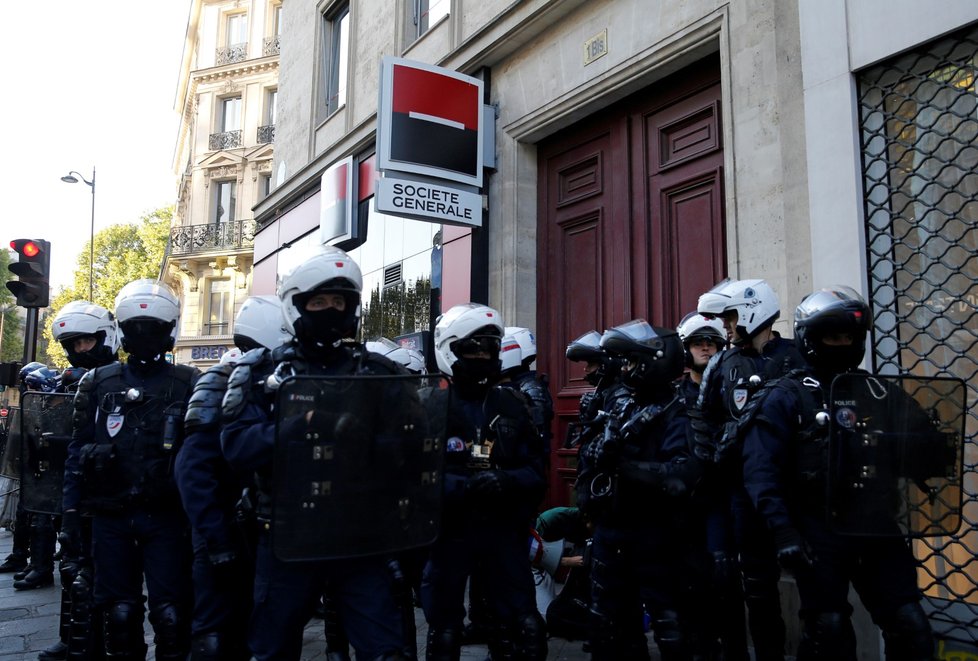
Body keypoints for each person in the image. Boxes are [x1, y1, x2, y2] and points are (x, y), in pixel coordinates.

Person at [220, 247, 412, 661]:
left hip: (360, 535)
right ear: (297, 306)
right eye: (318, 302)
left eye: (338, 302)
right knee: (270, 651)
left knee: (386, 652)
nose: (330, 310)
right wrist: (299, 423)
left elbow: (411, 448)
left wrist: (368, 438)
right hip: (288, 535)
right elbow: (235, 449)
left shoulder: (377, 373)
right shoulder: (260, 371)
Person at [740, 286, 935, 659]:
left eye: (849, 335)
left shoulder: (878, 391)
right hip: (818, 530)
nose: (842, 343)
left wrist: (931, 447)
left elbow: (919, 445)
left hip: (876, 526)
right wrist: (782, 530)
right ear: (811, 339)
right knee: (828, 629)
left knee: (911, 625)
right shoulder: (787, 395)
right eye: (833, 336)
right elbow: (760, 469)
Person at [63, 279, 199, 661]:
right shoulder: (97, 382)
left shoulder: (189, 383)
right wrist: (71, 517)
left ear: (168, 330)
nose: (143, 336)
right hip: (111, 515)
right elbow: (77, 453)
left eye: (151, 328)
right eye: (135, 328)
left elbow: (204, 461)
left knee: (172, 616)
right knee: (118, 615)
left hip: (168, 517)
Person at [421, 303, 548, 661]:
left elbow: (536, 471)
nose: (481, 355)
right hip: (449, 532)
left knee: (524, 627)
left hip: (503, 530)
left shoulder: (513, 404)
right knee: (444, 630)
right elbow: (413, 476)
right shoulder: (428, 404)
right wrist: (461, 487)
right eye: (471, 348)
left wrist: (505, 480)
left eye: (488, 348)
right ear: (450, 349)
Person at [692, 279, 806, 661]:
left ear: (752, 311)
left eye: (730, 317)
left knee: (817, 591)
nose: (725, 326)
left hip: (796, 490)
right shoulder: (722, 364)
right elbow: (704, 421)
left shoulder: (797, 355)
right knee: (757, 588)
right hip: (742, 491)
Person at [176, 295, 292, 660]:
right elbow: (192, 469)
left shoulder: (279, 384)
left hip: (265, 528)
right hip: (223, 525)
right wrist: (216, 537)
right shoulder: (221, 381)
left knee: (262, 627)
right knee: (214, 631)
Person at [579, 320, 699, 660]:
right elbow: (592, 456)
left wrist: (627, 468)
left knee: (670, 625)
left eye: (632, 361)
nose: (626, 369)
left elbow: (681, 474)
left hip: (657, 536)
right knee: (607, 626)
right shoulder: (622, 404)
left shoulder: (678, 412)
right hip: (612, 533)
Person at [38, 300, 121, 661]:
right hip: (72, 490)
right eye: (74, 345)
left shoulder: (122, 379)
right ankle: (71, 636)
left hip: (113, 493)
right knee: (72, 567)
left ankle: (106, 641)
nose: (80, 350)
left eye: (86, 341)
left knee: (109, 576)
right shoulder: (64, 384)